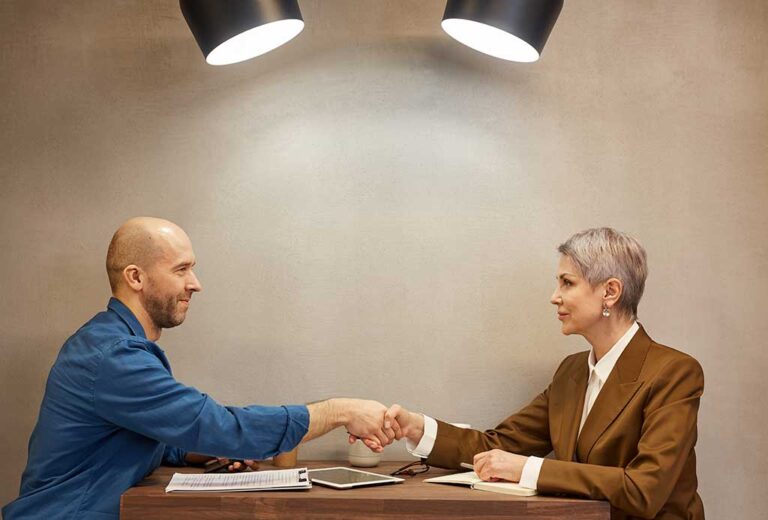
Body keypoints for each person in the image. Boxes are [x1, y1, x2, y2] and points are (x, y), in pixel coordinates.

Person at [3, 217, 397, 520]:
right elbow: (220, 426)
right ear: (136, 277)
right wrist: (339, 410)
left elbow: (142, 436)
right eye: (181, 269)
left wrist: (198, 452)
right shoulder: (114, 356)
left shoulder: (112, 344)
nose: (196, 284)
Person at [386, 228, 704, 520]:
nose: (555, 296)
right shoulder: (571, 371)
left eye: (567, 282)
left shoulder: (675, 373)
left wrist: (531, 469)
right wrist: (415, 428)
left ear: (610, 292)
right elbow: (497, 445)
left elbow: (642, 490)